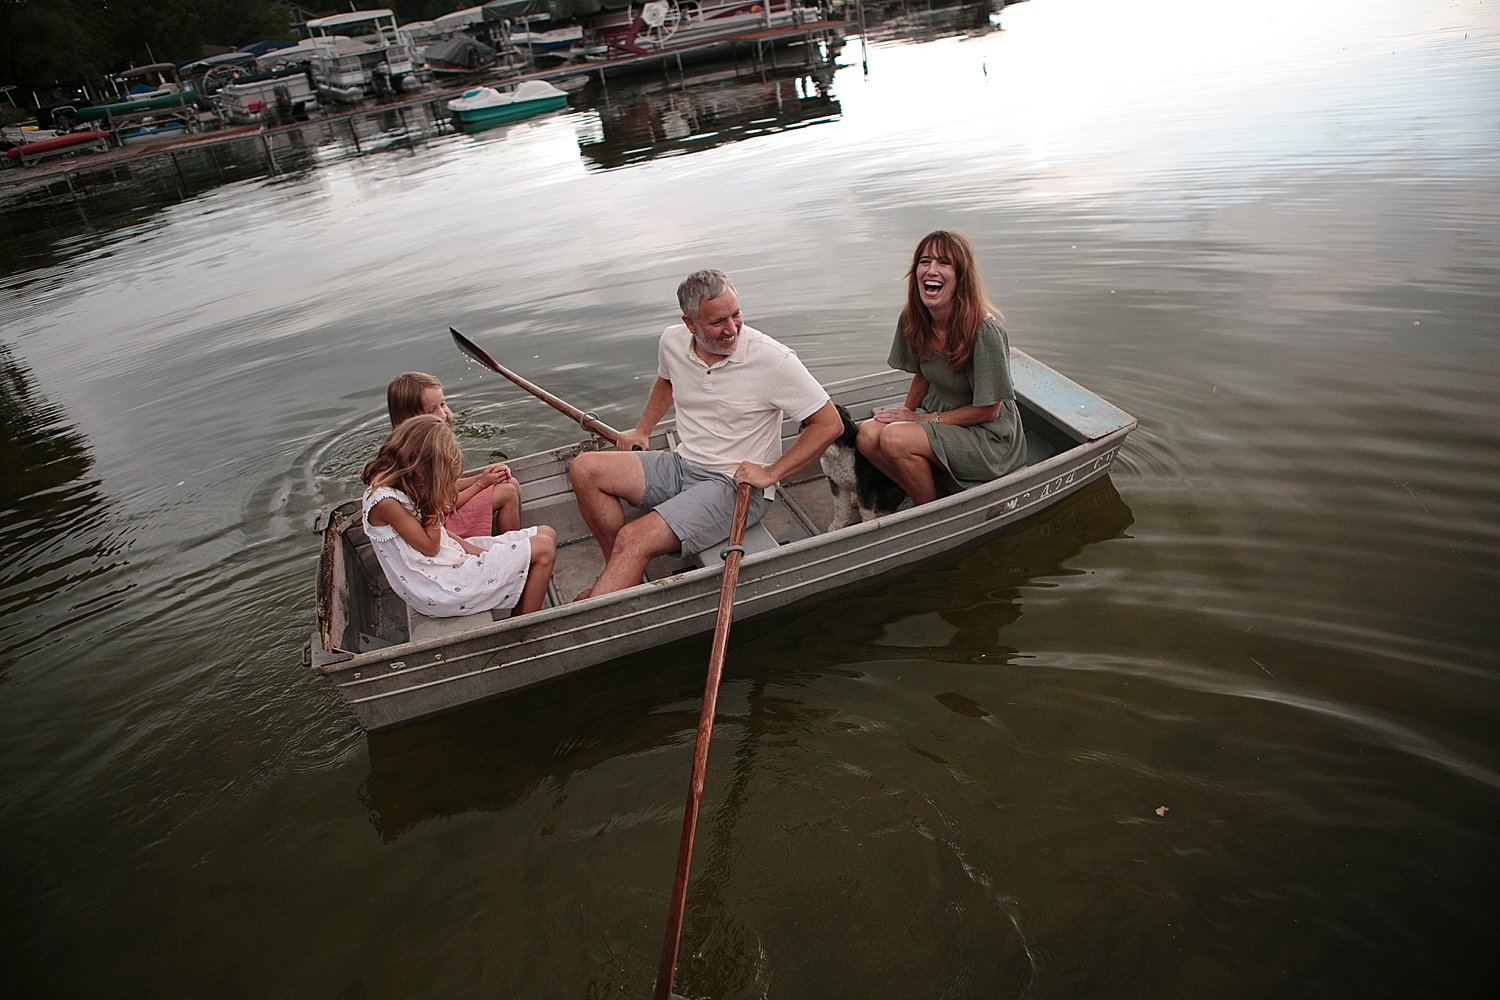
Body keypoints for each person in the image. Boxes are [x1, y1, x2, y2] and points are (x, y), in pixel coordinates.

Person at [569, 269, 842, 599]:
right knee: (585, 469)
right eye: (718, 322)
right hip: (684, 464)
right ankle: (620, 578)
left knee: (634, 537)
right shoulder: (672, 341)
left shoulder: (773, 360)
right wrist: (643, 429)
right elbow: (667, 381)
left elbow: (828, 423)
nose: (732, 330)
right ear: (690, 324)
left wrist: (770, 473)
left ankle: (605, 601)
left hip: (736, 486)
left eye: (736, 315)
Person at [856, 230, 1026, 505]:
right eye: (925, 261)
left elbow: (989, 409)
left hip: (987, 436)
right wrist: (907, 412)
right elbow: (924, 372)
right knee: (867, 436)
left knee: (895, 438)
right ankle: (925, 491)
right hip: (939, 414)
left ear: (961, 276)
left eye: (944, 263)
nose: (931, 270)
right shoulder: (913, 317)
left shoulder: (985, 330)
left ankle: (927, 511)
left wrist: (918, 421)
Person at [361, 414, 556, 617]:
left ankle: (519, 608)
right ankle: (523, 628)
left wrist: (478, 551)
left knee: (546, 533)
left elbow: (442, 536)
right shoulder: (385, 501)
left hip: (447, 563)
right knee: (544, 549)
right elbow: (430, 547)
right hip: (438, 588)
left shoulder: (402, 480)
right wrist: (434, 501)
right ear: (419, 464)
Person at [386, 371, 521, 538]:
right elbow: (444, 506)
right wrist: (480, 484)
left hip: (443, 515)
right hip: (438, 529)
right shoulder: (416, 457)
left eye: (442, 404)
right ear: (410, 417)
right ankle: (510, 552)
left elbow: (446, 487)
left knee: (511, 483)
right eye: (431, 410)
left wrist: (481, 478)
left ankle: (513, 547)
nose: (443, 415)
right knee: (507, 493)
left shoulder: (426, 443)